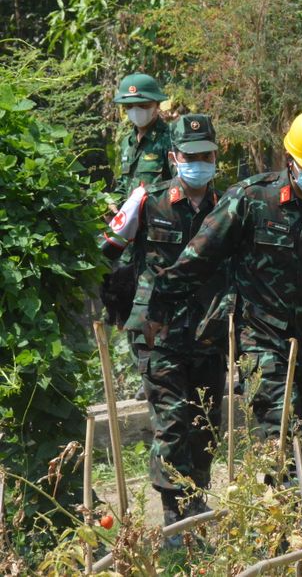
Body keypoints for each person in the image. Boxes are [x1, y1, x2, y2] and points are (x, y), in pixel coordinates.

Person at [143, 108, 302, 480]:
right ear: (291, 162)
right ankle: (276, 528)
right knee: (278, 435)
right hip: (263, 340)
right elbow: (197, 258)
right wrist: (159, 307)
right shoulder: (251, 199)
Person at [100, 114, 226, 539]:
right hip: (158, 332)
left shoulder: (226, 207)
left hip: (207, 330)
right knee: (172, 418)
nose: (199, 163)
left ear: (215, 156)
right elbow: (109, 249)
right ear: (174, 157)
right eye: (190, 156)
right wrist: (115, 303)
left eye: (206, 155)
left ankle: (196, 496)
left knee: (206, 419)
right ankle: (174, 511)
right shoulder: (146, 199)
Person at [111, 73, 173, 199]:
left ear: (157, 104)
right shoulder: (127, 142)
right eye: (129, 106)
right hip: (132, 216)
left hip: (161, 215)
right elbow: (124, 185)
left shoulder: (170, 139)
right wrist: (112, 201)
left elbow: (181, 184)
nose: (135, 111)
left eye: (143, 105)